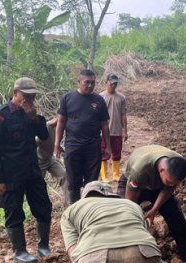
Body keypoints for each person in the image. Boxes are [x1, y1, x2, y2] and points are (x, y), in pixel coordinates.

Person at [0, 77, 52, 263]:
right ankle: (20, 250)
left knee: (43, 206)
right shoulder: (0, 116)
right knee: (14, 211)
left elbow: (43, 134)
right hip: (10, 174)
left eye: (33, 96)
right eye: (26, 95)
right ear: (15, 93)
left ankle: (44, 245)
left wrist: (34, 118)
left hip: (32, 170)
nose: (29, 99)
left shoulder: (30, 114)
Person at [117, 145, 186, 263]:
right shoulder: (139, 170)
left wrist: (154, 209)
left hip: (159, 186)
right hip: (132, 182)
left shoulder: (178, 166)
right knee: (123, 216)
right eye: (169, 182)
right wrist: (138, 221)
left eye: (174, 183)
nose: (172, 185)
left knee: (176, 217)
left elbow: (168, 189)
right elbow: (131, 203)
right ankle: (125, 257)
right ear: (161, 170)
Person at [55, 69, 111, 204]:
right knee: (73, 182)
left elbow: (104, 125)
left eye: (93, 83)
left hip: (93, 146)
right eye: (87, 82)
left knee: (91, 182)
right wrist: (57, 144)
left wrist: (108, 146)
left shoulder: (99, 100)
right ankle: (74, 209)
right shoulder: (68, 98)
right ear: (79, 82)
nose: (90, 86)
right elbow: (61, 121)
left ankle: (88, 209)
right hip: (73, 146)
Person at [100, 73, 128, 182]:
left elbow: (123, 115)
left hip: (116, 130)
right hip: (102, 132)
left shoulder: (121, 98)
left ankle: (116, 174)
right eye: (111, 83)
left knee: (116, 153)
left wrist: (125, 131)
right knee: (103, 153)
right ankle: (104, 175)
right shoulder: (100, 97)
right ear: (106, 82)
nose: (113, 85)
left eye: (115, 84)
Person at [38, 118, 67, 193]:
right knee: (38, 185)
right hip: (39, 162)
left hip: (50, 159)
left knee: (64, 175)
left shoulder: (58, 129)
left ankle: (70, 201)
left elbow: (53, 142)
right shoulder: (44, 129)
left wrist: (58, 147)